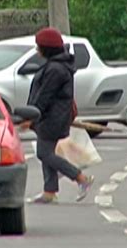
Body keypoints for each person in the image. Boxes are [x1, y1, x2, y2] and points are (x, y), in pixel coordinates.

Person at [21, 27, 94, 204]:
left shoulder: (55, 69)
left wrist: (31, 116)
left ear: (48, 49)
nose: (37, 50)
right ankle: (50, 191)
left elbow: (45, 96)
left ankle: (80, 178)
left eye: (40, 47)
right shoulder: (57, 66)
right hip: (51, 117)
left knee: (44, 154)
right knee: (47, 152)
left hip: (52, 118)